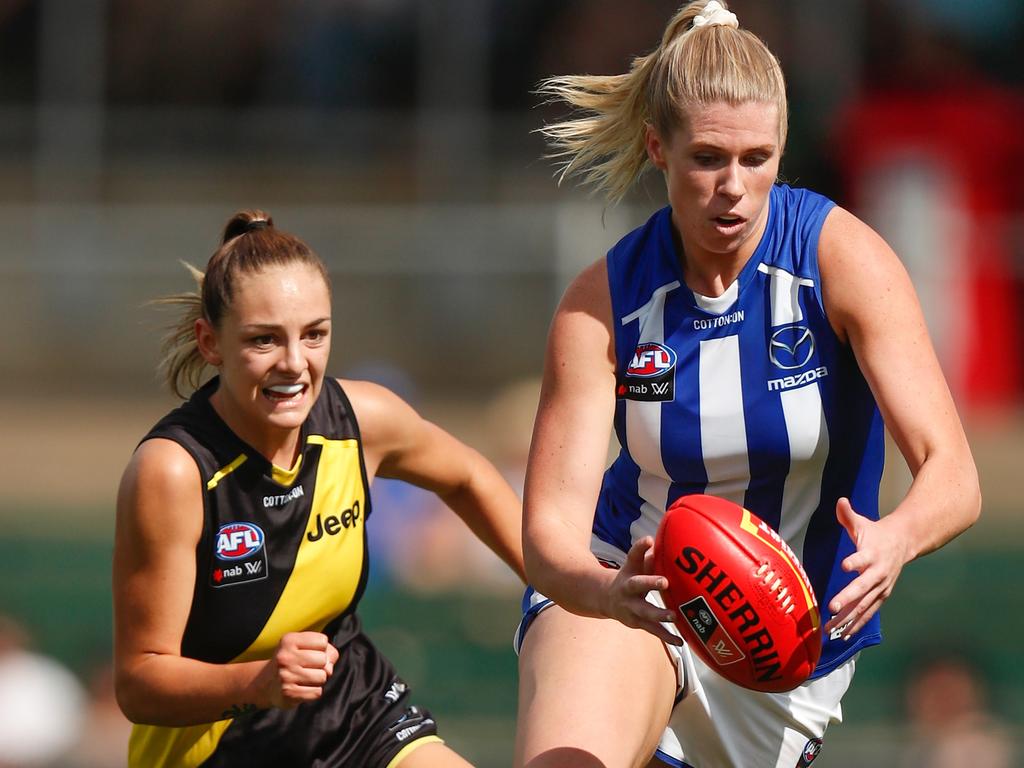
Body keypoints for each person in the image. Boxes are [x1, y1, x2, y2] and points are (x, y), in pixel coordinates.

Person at [512, 2, 982, 767]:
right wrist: (601, 594)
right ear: (657, 148)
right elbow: (548, 535)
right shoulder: (601, 304)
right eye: (708, 159)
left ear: (782, 149)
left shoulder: (841, 260)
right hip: (640, 600)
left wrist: (896, 539)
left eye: (757, 158)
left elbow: (955, 475)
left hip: (785, 653)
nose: (734, 186)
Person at [112, 210, 525, 768]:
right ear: (210, 343)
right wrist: (257, 682)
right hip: (217, 751)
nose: (295, 364)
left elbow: (469, 476)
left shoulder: (362, 419)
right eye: (264, 340)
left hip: (354, 713)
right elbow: (139, 683)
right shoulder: (174, 471)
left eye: (315, 335)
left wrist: (559, 586)